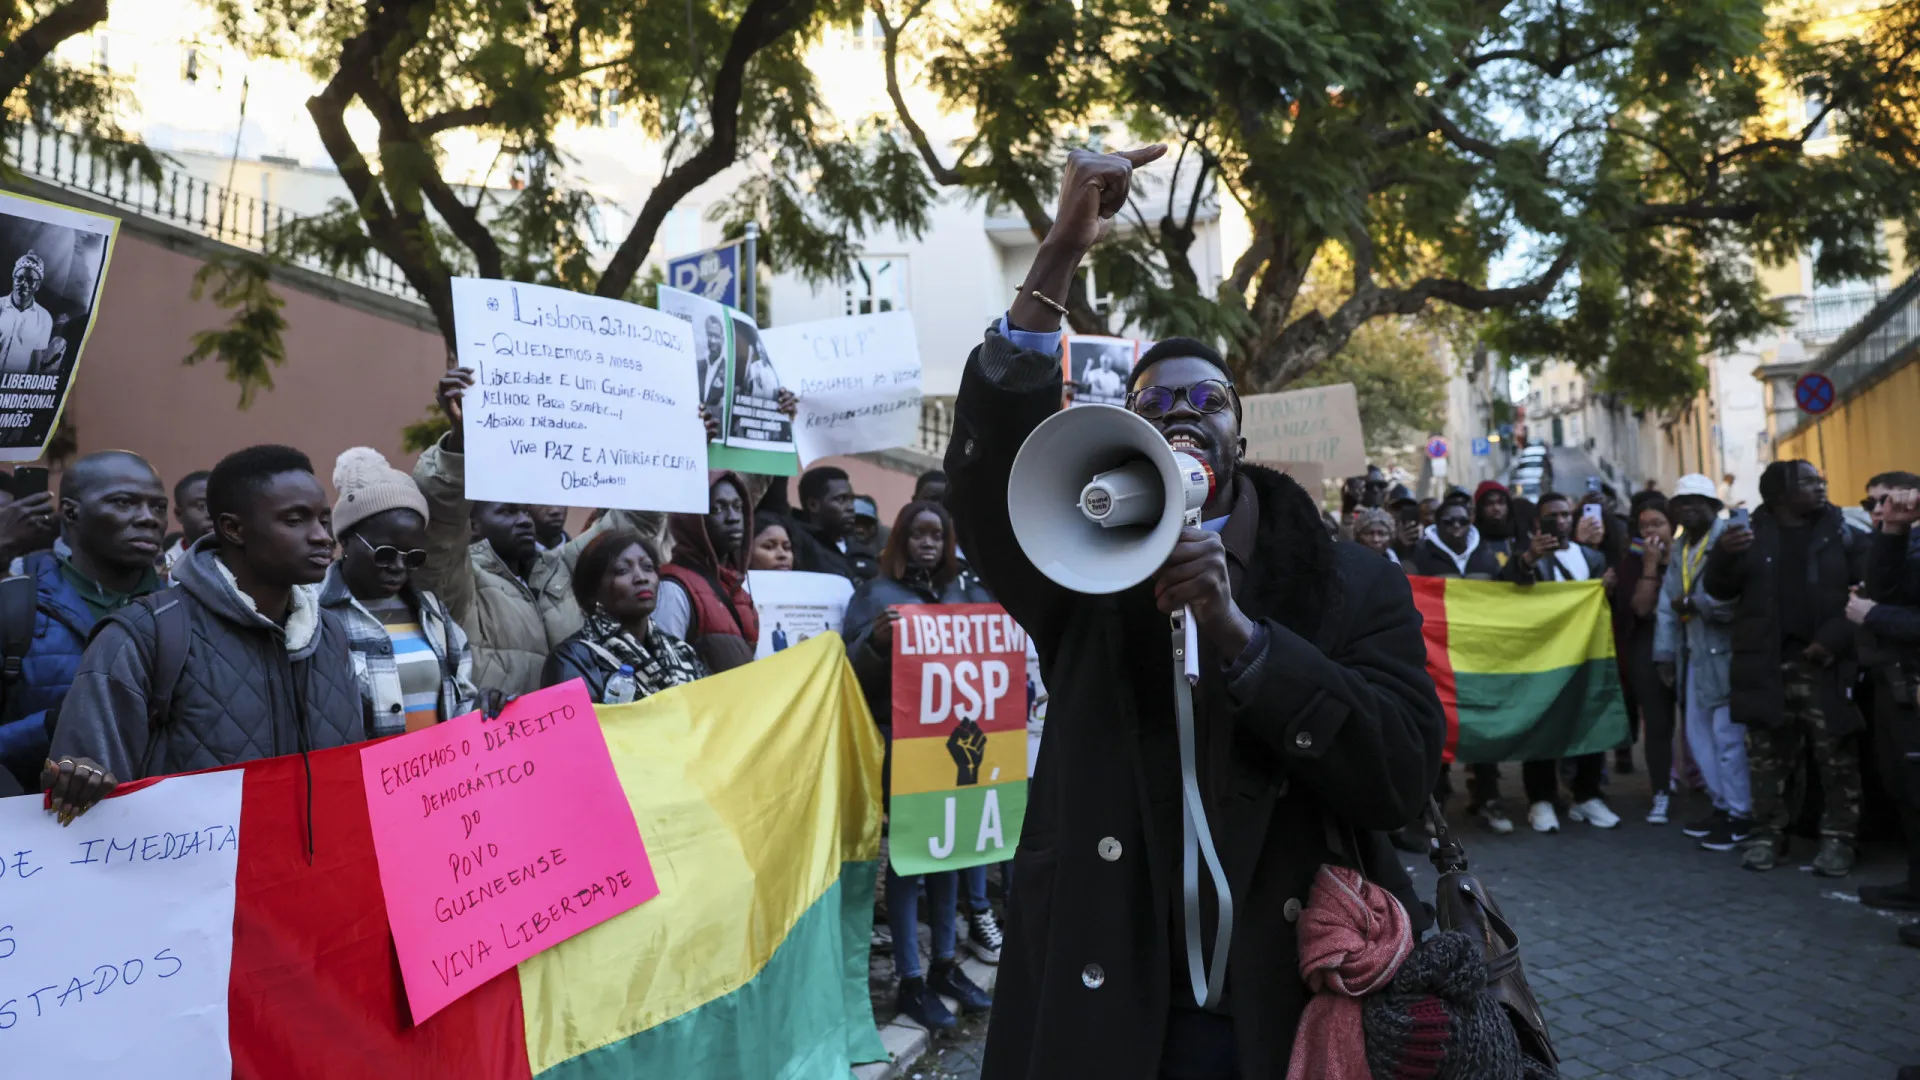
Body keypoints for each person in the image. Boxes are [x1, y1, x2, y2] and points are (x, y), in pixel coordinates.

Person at [947, 145, 1443, 1078]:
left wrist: (1245, 643)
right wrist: (1055, 252)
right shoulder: (1080, 577)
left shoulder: (1351, 585)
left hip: (1287, 1007)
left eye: (1205, 402)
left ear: (1240, 433)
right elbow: (985, 478)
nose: (1182, 414)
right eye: (1155, 402)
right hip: (1117, 1012)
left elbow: (1402, 779)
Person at [44, 446, 363, 820]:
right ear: (232, 528)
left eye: (324, 520)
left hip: (317, 874)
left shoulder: (330, 632)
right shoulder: (143, 635)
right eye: (295, 520)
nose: (322, 537)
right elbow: (83, 803)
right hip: (189, 875)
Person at [413, 367, 670, 694]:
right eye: (507, 512)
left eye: (524, 510)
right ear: (472, 525)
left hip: (580, 735)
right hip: (502, 740)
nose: (524, 520)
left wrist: (670, 447)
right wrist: (461, 441)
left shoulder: (559, 567)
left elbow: (634, 521)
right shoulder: (459, 581)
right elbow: (440, 518)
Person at [842, 500, 999, 1032]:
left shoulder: (966, 593)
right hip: (902, 746)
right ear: (900, 540)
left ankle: (944, 967)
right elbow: (850, 669)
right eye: (918, 534)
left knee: (953, 854)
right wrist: (878, 645)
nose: (928, 543)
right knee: (912, 862)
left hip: (958, 750)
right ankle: (910, 980)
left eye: (938, 534)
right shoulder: (877, 596)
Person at [1705, 460, 1867, 875]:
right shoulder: (1748, 534)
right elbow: (1718, 590)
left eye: (1819, 479)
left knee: (1836, 757)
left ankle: (1839, 840)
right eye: (1808, 482)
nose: (1820, 486)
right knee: (1767, 758)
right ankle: (1766, 836)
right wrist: (1723, 557)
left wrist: (1832, 639)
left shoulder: (1842, 531)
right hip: (1766, 664)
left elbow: (1867, 593)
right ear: (1780, 493)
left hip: (1825, 664)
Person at [0, 452, 167, 791]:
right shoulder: (15, 606)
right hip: (40, 828)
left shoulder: (186, 608)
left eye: (158, 507)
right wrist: (53, 727)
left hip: (173, 831)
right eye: (124, 503)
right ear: (71, 512)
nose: (149, 518)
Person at [318, 448, 477, 739]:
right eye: (385, 554)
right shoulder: (314, 614)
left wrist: (488, 708)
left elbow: (462, 699)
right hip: (356, 781)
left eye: (413, 557)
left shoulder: (431, 613)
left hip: (441, 780)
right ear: (345, 540)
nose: (399, 567)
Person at [1502, 491, 1620, 832]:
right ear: (1539, 522)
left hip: (1584, 657)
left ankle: (1586, 795)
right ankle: (1541, 799)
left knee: (1589, 721)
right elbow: (1508, 587)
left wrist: (1606, 589)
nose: (1562, 521)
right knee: (1541, 726)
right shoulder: (1528, 555)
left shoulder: (1591, 558)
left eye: (1566, 514)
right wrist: (1529, 559)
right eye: (1553, 516)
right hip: (1542, 659)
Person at [1653, 475, 1750, 849]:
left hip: (1725, 653)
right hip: (1692, 654)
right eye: (1682, 503)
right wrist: (1663, 654)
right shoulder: (1680, 547)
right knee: (1699, 738)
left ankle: (1741, 814)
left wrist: (1698, 605)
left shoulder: (1730, 540)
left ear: (1713, 505)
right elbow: (1667, 604)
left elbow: (1738, 598)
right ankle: (1722, 805)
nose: (1688, 509)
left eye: (1697, 502)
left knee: (1728, 739)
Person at [1852, 482, 1920, 946]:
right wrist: (1894, 531)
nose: (1880, 508)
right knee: (1907, 790)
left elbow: (1881, 604)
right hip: (1900, 683)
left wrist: (1875, 615)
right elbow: (1883, 588)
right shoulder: (1907, 535)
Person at [542, 529, 707, 703]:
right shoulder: (572, 659)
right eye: (622, 570)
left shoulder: (682, 651)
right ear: (592, 591)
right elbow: (576, 729)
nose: (641, 578)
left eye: (648, 567)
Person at [1613, 494, 1678, 823]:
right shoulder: (1634, 561)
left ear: (1672, 525)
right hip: (1647, 648)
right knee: (1658, 723)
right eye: (1644, 525)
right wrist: (1651, 566)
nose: (1651, 530)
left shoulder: (1687, 555)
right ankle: (1661, 790)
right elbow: (1639, 607)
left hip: (1688, 648)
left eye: (1658, 523)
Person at [654, 471, 759, 673]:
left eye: (738, 507)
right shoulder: (674, 588)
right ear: (693, 522)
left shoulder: (738, 589)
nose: (733, 518)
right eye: (717, 509)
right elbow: (666, 670)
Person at [780, 466, 877, 582]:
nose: (851, 507)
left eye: (852, 500)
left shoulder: (861, 549)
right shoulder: (795, 545)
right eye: (841, 499)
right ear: (813, 505)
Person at [0, 252, 69, 375]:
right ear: (13, 279)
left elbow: (35, 360)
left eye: (30, 280)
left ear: (37, 285)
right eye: (20, 278)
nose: (24, 284)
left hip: (14, 389)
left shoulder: (44, 318)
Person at [1406, 501, 1503, 579]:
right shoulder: (1420, 555)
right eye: (1449, 521)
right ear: (1438, 525)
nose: (1457, 525)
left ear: (1470, 524)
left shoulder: (1486, 554)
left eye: (1463, 521)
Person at [162, 470, 212, 576]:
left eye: (220, 503)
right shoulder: (164, 569)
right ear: (179, 514)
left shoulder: (245, 559)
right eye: (201, 506)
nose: (212, 513)